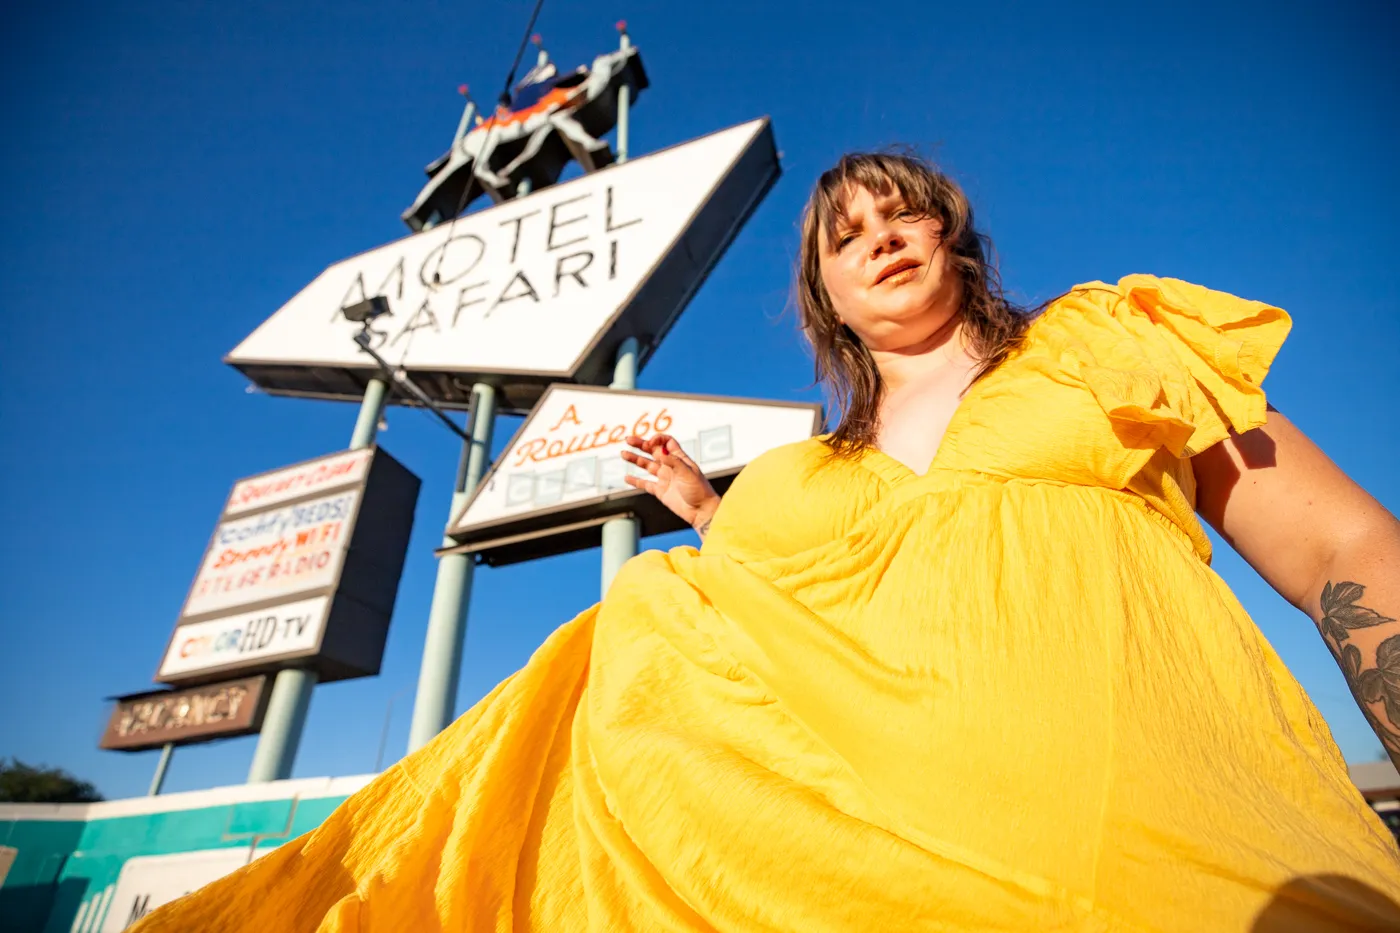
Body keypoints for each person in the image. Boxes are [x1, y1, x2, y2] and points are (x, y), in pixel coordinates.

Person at [133, 153, 1400, 931]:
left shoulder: (1101, 345)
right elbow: (759, 614)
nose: (880, 239)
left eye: (903, 215)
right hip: (834, 888)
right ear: (826, 297)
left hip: (1188, 864)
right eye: (845, 237)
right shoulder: (804, 477)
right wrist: (699, 509)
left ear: (951, 239)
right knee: (634, 620)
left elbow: (1339, 545)